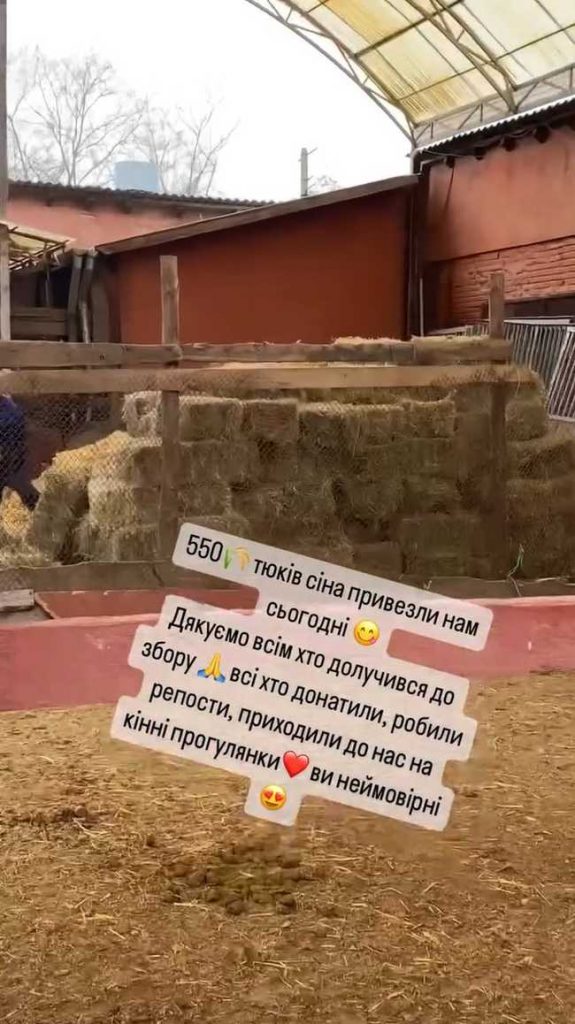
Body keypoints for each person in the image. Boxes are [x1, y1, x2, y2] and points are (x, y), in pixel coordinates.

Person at [0, 395, 40, 511]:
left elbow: (15, 420)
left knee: (17, 482)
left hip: (11, 453)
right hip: (10, 453)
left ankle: (37, 505)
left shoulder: (9, 407)